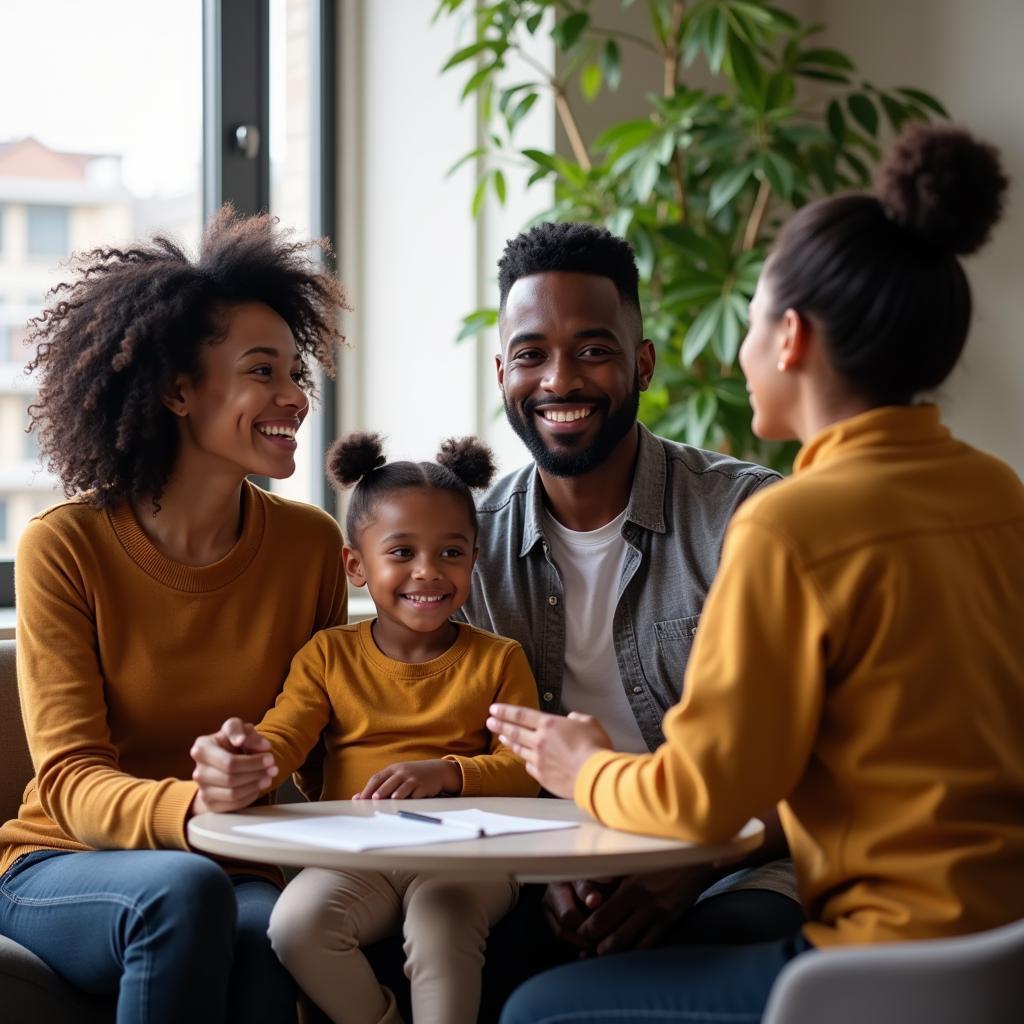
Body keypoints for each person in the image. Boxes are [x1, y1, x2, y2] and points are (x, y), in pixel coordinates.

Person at [488, 123, 1024, 1023]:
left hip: (874, 956)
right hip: (1001, 947)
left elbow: (700, 798)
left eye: (746, 324)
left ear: (790, 338)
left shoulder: (784, 520)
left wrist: (579, 763)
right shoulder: (997, 488)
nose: (736, 353)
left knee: (539, 1010)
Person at [0, 208, 350, 1024]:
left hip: (238, 863)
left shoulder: (308, 545)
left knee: (274, 929)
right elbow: (72, 783)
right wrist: (198, 806)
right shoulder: (66, 547)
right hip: (65, 864)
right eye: (264, 372)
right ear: (177, 390)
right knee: (185, 892)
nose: (294, 397)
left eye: (297, 374)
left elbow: (331, 755)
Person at [458, 221, 801, 984]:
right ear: (501, 374)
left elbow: (821, 761)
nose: (559, 380)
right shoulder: (467, 550)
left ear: (641, 364)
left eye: (593, 350)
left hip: (733, 865)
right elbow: (463, 758)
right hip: (542, 871)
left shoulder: (747, 520)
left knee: (727, 941)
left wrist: (689, 860)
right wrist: (547, 871)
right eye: (531, 355)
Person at [191, 433, 540, 1024]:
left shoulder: (499, 660)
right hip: (353, 853)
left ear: (474, 559)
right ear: (356, 564)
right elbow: (286, 735)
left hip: (469, 856)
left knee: (441, 923)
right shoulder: (328, 657)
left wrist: (447, 775)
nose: (427, 573)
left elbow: (526, 771)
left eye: (451, 553)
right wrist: (251, 752)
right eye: (401, 552)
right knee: (298, 925)